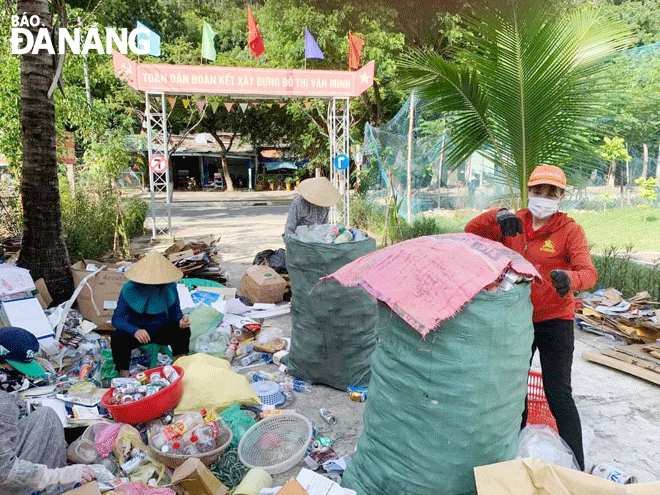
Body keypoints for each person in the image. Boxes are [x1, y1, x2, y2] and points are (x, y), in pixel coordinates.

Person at [464, 165, 597, 471]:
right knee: (514, 389)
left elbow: (588, 273)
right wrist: (496, 214)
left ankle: (577, 467)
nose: (543, 198)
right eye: (538, 191)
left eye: (552, 193)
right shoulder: (514, 222)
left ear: (561, 197)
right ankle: (513, 458)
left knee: (558, 392)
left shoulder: (569, 230)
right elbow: (471, 232)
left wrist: (570, 279)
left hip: (555, 321)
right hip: (517, 319)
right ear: (529, 192)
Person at [0, 327, 95, 495]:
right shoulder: (4, 403)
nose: (21, 377)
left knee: (46, 416)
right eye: (17, 370)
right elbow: (4, 471)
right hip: (4, 475)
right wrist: (60, 475)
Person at [111, 251, 191, 377]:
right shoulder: (129, 289)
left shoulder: (169, 287)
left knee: (183, 331)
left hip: (160, 329)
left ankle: (177, 370)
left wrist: (181, 320)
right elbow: (117, 319)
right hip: (137, 333)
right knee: (117, 337)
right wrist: (134, 331)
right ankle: (124, 376)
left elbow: (175, 313)